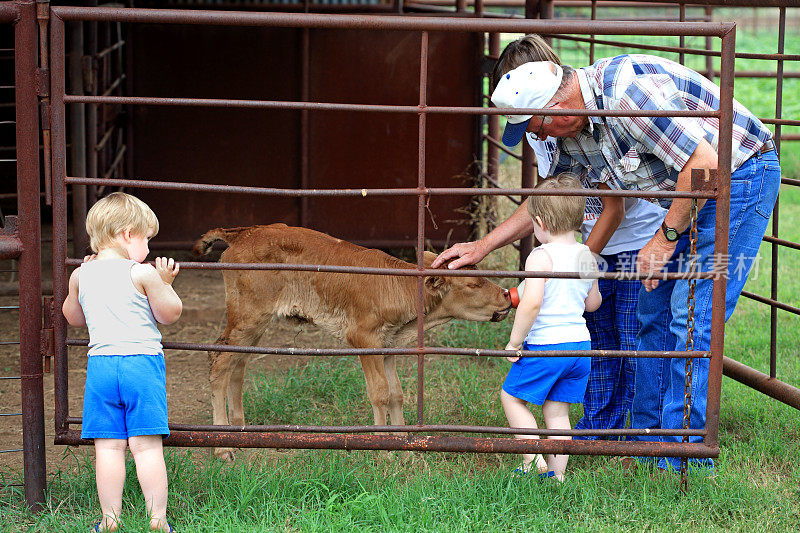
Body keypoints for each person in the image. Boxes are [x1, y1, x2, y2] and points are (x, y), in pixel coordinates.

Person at [436, 44, 780, 472]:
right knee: (654, 312)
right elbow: (550, 200)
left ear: (557, 106)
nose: (537, 137)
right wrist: (482, 246)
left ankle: (685, 458)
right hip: (688, 188)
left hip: (738, 173)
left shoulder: (625, 94)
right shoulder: (576, 129)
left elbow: (706, 163)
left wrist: (664, 238)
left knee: (691, 314)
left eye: (535, 126)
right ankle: (649, 441)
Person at [491, 35, 668, 440]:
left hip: (628, 241)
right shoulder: (538, 127)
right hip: (582, 247)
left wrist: (573, 261)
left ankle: (644, 431)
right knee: (598, 333)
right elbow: (549, 193)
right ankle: (601, 426)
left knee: (633, 334)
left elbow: (614, 206)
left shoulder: (581, 117)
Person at [62, 192, 182, 532]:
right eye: (146, 238)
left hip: (101, 368)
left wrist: (80, 287)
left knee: (109, 449)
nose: (148, 247)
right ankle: (157, 520)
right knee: (145, 447)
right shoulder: (141, 273)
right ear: (128, 234)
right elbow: (169, 314)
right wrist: (166, 284)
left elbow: (72, 317)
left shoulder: (81, 275)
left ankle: (110, 520)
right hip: (140, 366)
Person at [501, 174, 601, 481]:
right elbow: (593, 303)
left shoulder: (540, 257)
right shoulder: (587, 255)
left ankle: (532, 461)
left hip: (548, 346)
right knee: (558, 414)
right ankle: (557, 476)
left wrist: (514, 343)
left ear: (541, 222)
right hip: (580, 348)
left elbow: (530, 303)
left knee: (512, 398)